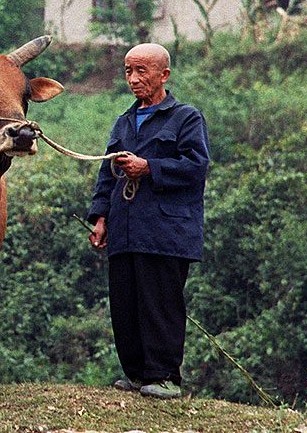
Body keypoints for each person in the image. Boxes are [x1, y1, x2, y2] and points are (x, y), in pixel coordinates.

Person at [86, 43, 210, 400]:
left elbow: (196, 168)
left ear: (164, 75)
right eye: (128, 71)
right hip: (125, 229)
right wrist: (100, 217)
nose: (134, 79)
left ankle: (165, 376)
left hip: (166, 231)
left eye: (142, 71)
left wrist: (149, 168)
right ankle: (138, 375)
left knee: (160, 304)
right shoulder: (124, 121)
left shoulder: (186, 118)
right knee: (125, 304)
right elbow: (107, 174)